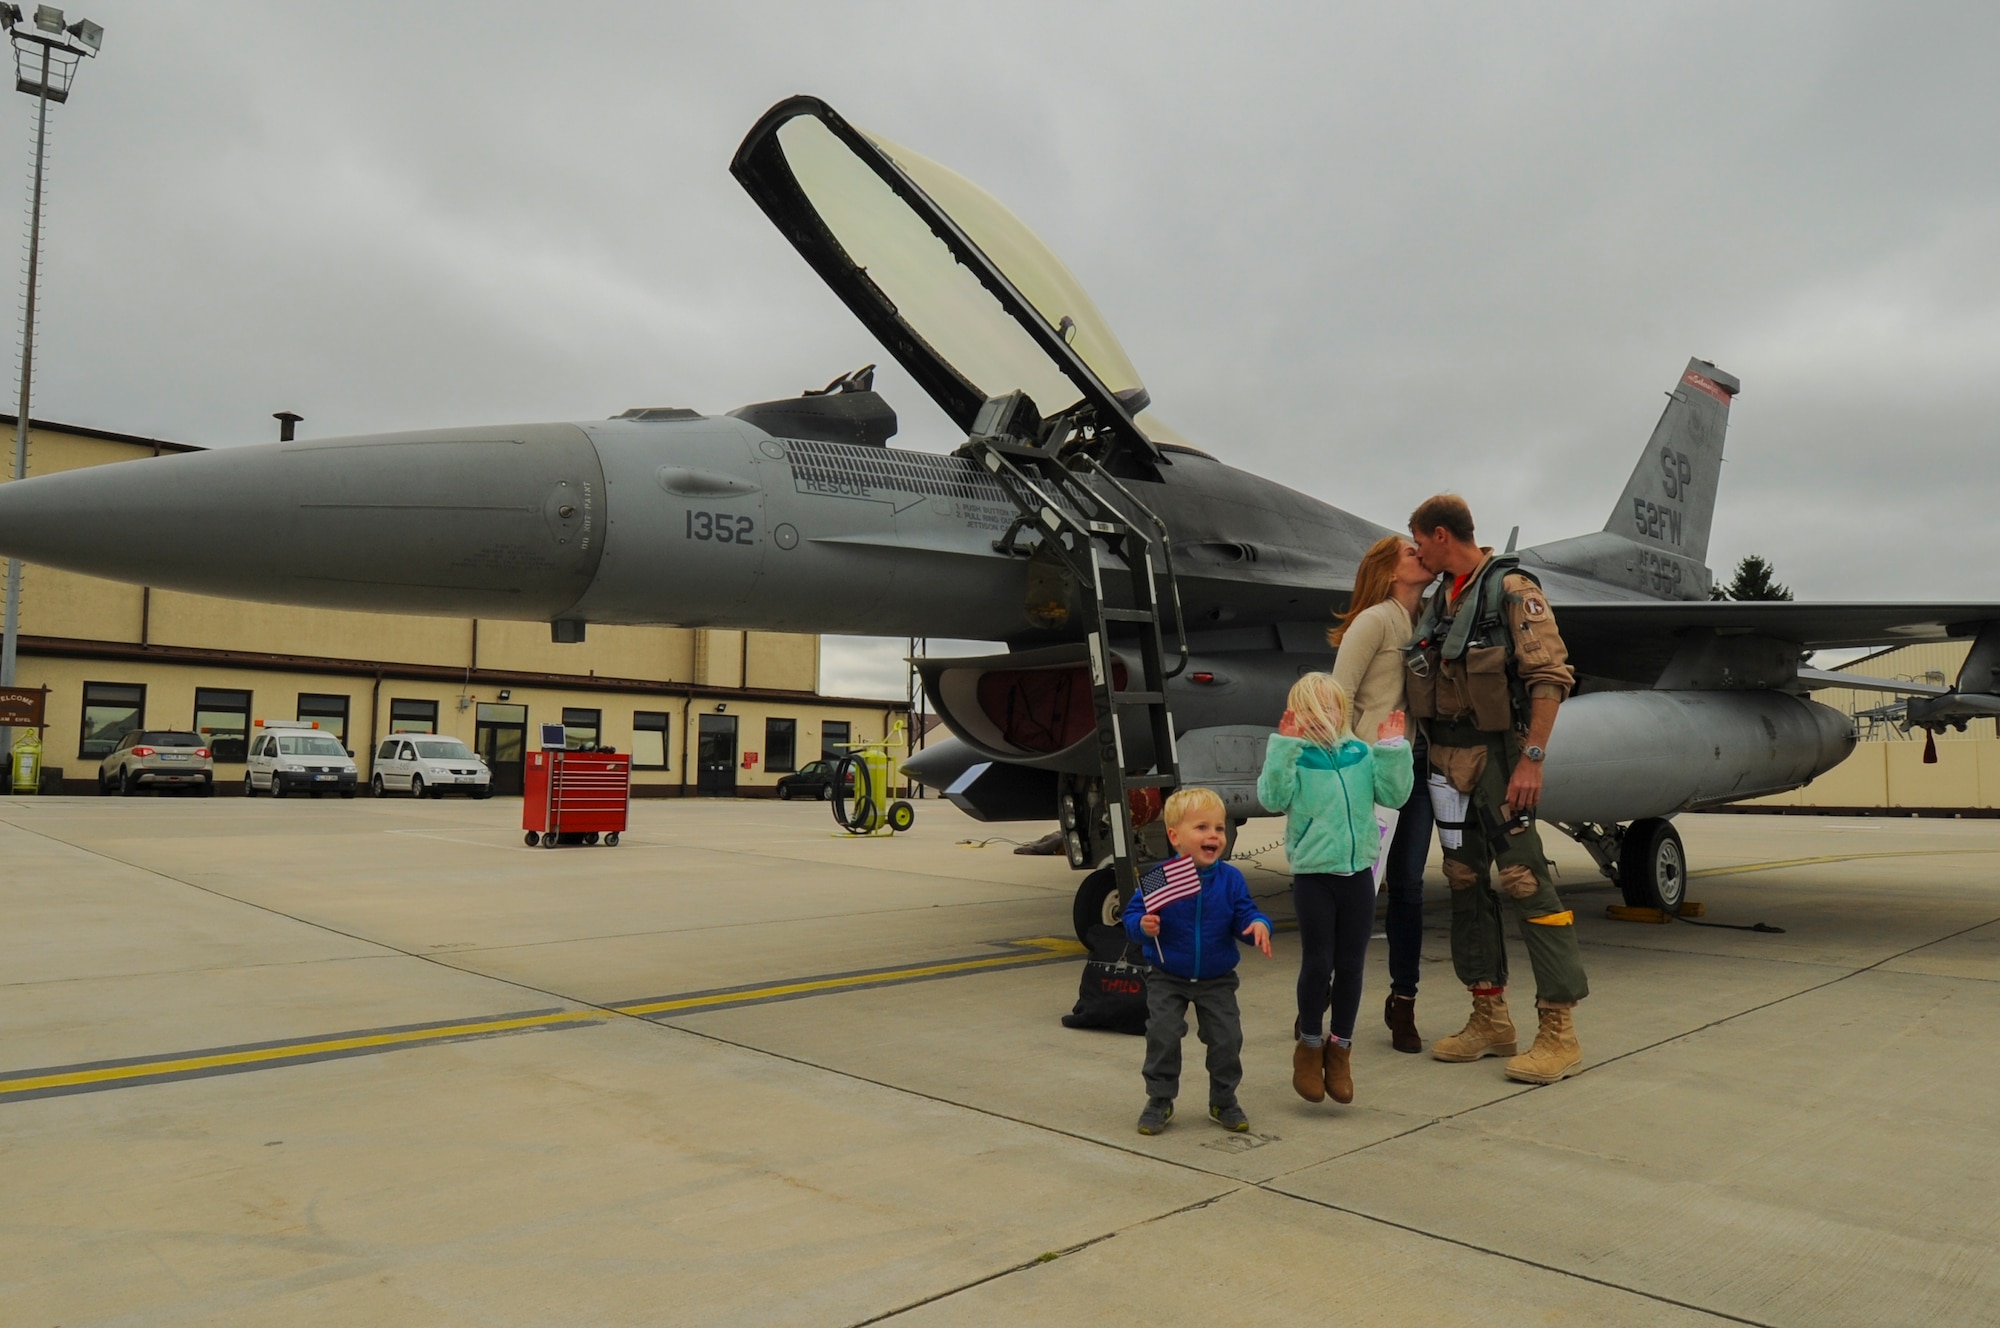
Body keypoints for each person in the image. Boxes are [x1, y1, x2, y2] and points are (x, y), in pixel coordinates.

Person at [1403, 493, 1587, 1084]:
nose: (1415, 550)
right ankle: (1490, 1018)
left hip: (1501, 759)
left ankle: (1559, 1030)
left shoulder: (1511, 589)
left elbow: (1550, 675)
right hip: (1446, 759)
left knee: (1525, 880)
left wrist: (1532, 760)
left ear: (1439, 534)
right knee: (1462, 880)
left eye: (1417, 540)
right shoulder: (1438, 600)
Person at [1258, 674, 1413, 1105]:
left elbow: (1394, 795)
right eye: (1309, 709)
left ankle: (1340, 1049)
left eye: (1327, 707)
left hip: (1358, 873)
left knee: (1351, 965)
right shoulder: (1298, 758)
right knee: (1317, 962)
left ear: (1341, 711)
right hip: (1314, 875)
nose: (1320, 716)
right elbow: (1272, 796)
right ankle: (1309, 1046)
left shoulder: (1360, 754)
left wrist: (1393, 750)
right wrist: (1283, 746)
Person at [1330, 533, 1439, 1053]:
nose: (1423, 556)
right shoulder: (1374, 621)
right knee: (1355, 887)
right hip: (1370, 773)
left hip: (1416, 771)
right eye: (1411, 553)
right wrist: (1349, 767)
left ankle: (1404, 1001)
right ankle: (1325, 997)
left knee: (1409, 888)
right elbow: (1339, 699)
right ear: (1391, 571)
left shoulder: (1431, 623)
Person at [1123, 786, 1274, 1135]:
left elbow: (1244, 915)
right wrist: (1142, 926)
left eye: (1219, 828)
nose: (1213, 836)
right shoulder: (1160, 877)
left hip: (1216, 977)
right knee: (1162, 1035)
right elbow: (1133, 916)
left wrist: (1258, 925)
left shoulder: (1230, 879)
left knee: (1226, 1040)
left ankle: (1223, 1099)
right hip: (1167, 974)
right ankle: (1159, 1098)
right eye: (1202, 827)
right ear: (1175, 837)